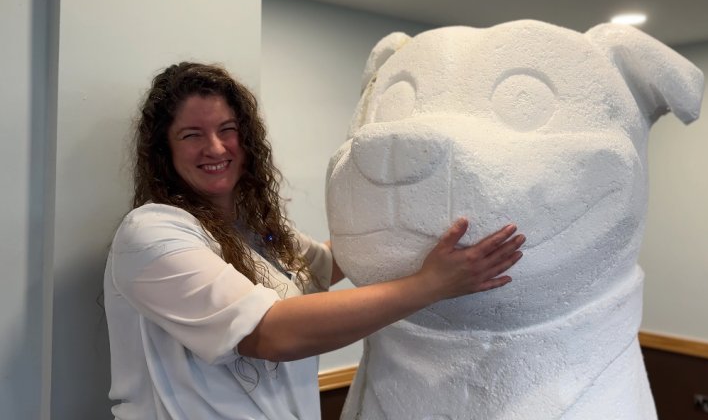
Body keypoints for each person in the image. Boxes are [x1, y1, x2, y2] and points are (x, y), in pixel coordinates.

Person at [103, 62, 526, 420]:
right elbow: (270, 334)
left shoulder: (258, 228)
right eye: (191, 134)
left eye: (227, 129)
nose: (215, 147)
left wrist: (417, 216)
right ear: (164, 150)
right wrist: (431, 285)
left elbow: (329, 261)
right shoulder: (152, 233)